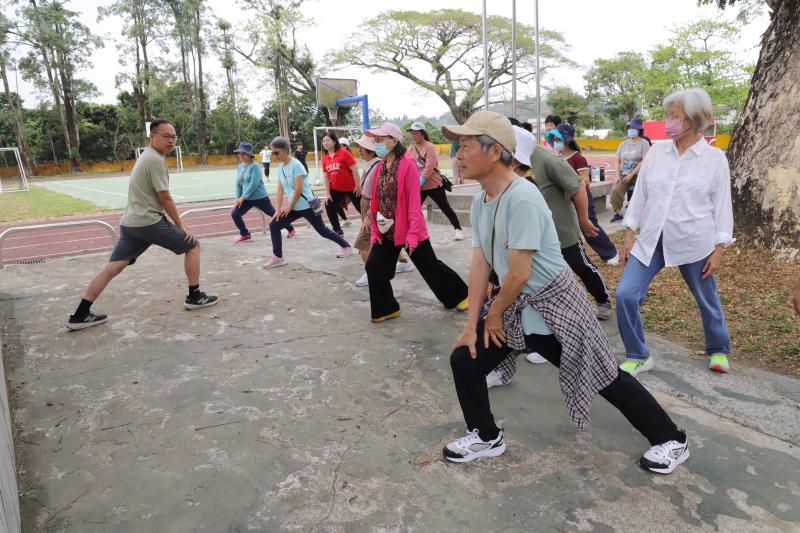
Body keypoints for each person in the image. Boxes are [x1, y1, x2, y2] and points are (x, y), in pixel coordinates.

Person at [439, 111, 689, 475]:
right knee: (466, 358)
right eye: (457, 147)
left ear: (494, 152)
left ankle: (671, 439)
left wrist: (493, 315)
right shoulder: (482, 201)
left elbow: (519, 273)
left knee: (605, 376)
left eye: (464, 146)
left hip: (556, 308)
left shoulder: (522, 197)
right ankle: (486, 436)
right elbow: (481, 263)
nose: (457, 155)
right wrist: (470, 324)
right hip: (517, 307)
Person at [616, 88, 733, 376]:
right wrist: (629, 232)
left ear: (695, 119)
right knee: (625, 295)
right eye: (668, 115)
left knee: (707, 299)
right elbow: (641, 195)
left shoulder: (714, 159)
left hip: (694, 241)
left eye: (675, 116)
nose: (669, 122)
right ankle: (638, 354)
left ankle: (718, 349)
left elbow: (722, 207)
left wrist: (719, 250)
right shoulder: (657, 152)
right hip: (652, 239)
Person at [67, 118, 218, 330]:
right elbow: (165, 198)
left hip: (131, 224)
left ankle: (80, 314)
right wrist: (181, 225)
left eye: (174, 137)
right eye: (166, 136)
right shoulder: (155, 160)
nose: (171, 141)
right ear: (152, 136)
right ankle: (194, 296)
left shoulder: (146, 157)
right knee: (192, 246)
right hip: (149, 222)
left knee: (112, 268)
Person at [364, 122, 469, 322]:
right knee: (374, 266)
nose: (376, 143)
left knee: (430, 266)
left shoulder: (407, 164)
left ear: (394, 141)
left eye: (380, 139)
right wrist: (375, 229)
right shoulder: (380, 166)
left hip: (409, 228)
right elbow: (376, 198)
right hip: (386, 229)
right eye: (375, 140)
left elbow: (413, 202)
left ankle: (461, 295)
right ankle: (386, 309)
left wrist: (412, 234)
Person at [527, 123, 613, 321]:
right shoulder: (509, 161)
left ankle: (603, 299)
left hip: (561, 228)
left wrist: (583, 220)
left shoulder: (548, 159)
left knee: (579, 264)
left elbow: (579, 187)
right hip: (533, 230)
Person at [262, 136, 354, 268]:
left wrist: (289, 207)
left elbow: (299, 189)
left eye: (277, 153)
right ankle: (278, 257)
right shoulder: (280, 168)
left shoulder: (296, 165)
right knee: (274, 225)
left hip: (308, 205)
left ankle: (346, 246)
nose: (274, 156)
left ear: (286, 150)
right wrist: (277, 210)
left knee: (322, 230)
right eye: (273, 153)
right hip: (294, 207)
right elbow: (279, 190)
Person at [351, 135, 414, 287]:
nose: (360, 151)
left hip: (377, 209)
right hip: (369, 206)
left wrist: (369, 215)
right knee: (386, 244)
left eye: (363, 148)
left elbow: (383, 194)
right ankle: (399, 263)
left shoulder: (384, 165)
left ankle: (370, 273)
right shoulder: (376, 165)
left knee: (362, 242)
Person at [555, 123, 618, 264]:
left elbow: (585, 180)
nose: (555, 142)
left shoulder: (577, 158)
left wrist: (570, 187)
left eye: (557, 139)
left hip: (581, 199)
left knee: (589, 228)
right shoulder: (557, 157)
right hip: (565, 200)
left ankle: (610, 253)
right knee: (569, 230)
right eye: (554, 139)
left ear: (566, 141)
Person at [406, 121, 464, 241]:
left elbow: (429, 168)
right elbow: (408, 167)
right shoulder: (410, 149)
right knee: (413, 210)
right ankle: (413, 233)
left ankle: (458, 229)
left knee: (445, 207)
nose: (413, 136)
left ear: (422, 134)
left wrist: (418, 183)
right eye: (412, 133)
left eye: (416, 133)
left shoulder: (430, 147)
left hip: (433, 184)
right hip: (419, 187)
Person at [229, 141, 295, 245]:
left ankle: (290, 228)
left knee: (274, 214)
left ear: (249, 155)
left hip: (260, 198)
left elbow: (253, 184)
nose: (241, 156)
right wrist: (238, 198)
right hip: (246, 199)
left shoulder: (255, 167)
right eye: (239, 154)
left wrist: (243, 197)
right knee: (235, 214)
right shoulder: (240, 166)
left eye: (243, 154)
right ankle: (245, 234)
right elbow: (238, 183)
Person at [610, 118, 650, 222]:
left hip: (639, 174)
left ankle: (642, 213)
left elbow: (644, 161)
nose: (630, 130)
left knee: (640, 192)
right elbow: (617, 160)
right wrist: (618, 175)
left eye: (633, 128)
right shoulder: (623, 144)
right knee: (616, 190)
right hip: (625, 174)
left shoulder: (644, 143)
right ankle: (618, 212)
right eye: (629, 128)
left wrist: (632, 174)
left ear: (639, 130)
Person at [321, 132, 361, 236]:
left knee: (362, 207)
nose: (325, 143)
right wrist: (327, 193)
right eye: (323, 141)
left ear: (334, 141)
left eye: (327, 140)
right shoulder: (325, 158)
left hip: (351, 187)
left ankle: (373, 226)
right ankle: (337, 231)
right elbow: (326, 177)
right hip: (336, 189)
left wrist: (358, 186)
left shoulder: (344, 153)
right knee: (329, 204)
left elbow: (354, 170)